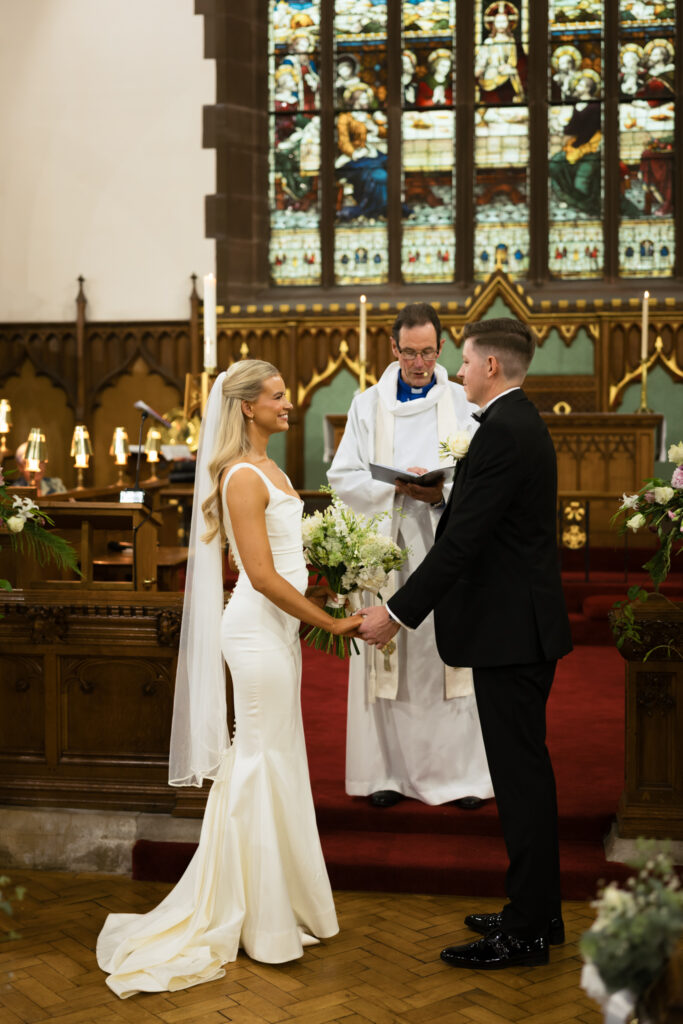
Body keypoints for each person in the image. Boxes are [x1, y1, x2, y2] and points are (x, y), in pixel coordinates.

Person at [97, 360, 362, 997]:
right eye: (275, 397)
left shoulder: (271, 468)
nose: (287, 404)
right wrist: (329, 621)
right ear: (246, 407)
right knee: (259, 758)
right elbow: (264, 577)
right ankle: (257, 916)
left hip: (278, 630)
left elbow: (288, 560)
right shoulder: (242, 476)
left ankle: (280, 902)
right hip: (254, 628)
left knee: (275, 755)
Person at [359, 317, 573, 970]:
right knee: (523, 775)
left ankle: (525, 929)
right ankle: (539, 910)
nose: (456, 370)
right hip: (516, 629)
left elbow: (461, 543)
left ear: (491, 368)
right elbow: (476, 520)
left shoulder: (504, 430)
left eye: (466, 360)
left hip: (511, 633)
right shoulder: (512, 424)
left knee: (520, 779)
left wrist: (394, 613)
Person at [328, 303, 493, 810]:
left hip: (444, 545)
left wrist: (439, 495)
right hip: (387, 549)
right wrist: (394, 489)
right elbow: (343, 476)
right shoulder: (367, 405)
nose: (420, 362)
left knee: (448, 661)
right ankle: (386, 773)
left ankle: (461, 776)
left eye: (429, 352)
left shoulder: (464, 405)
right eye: (410, 352)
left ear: (441, 348)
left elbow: (482, 480)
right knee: (388, 662)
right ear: (393, 348)